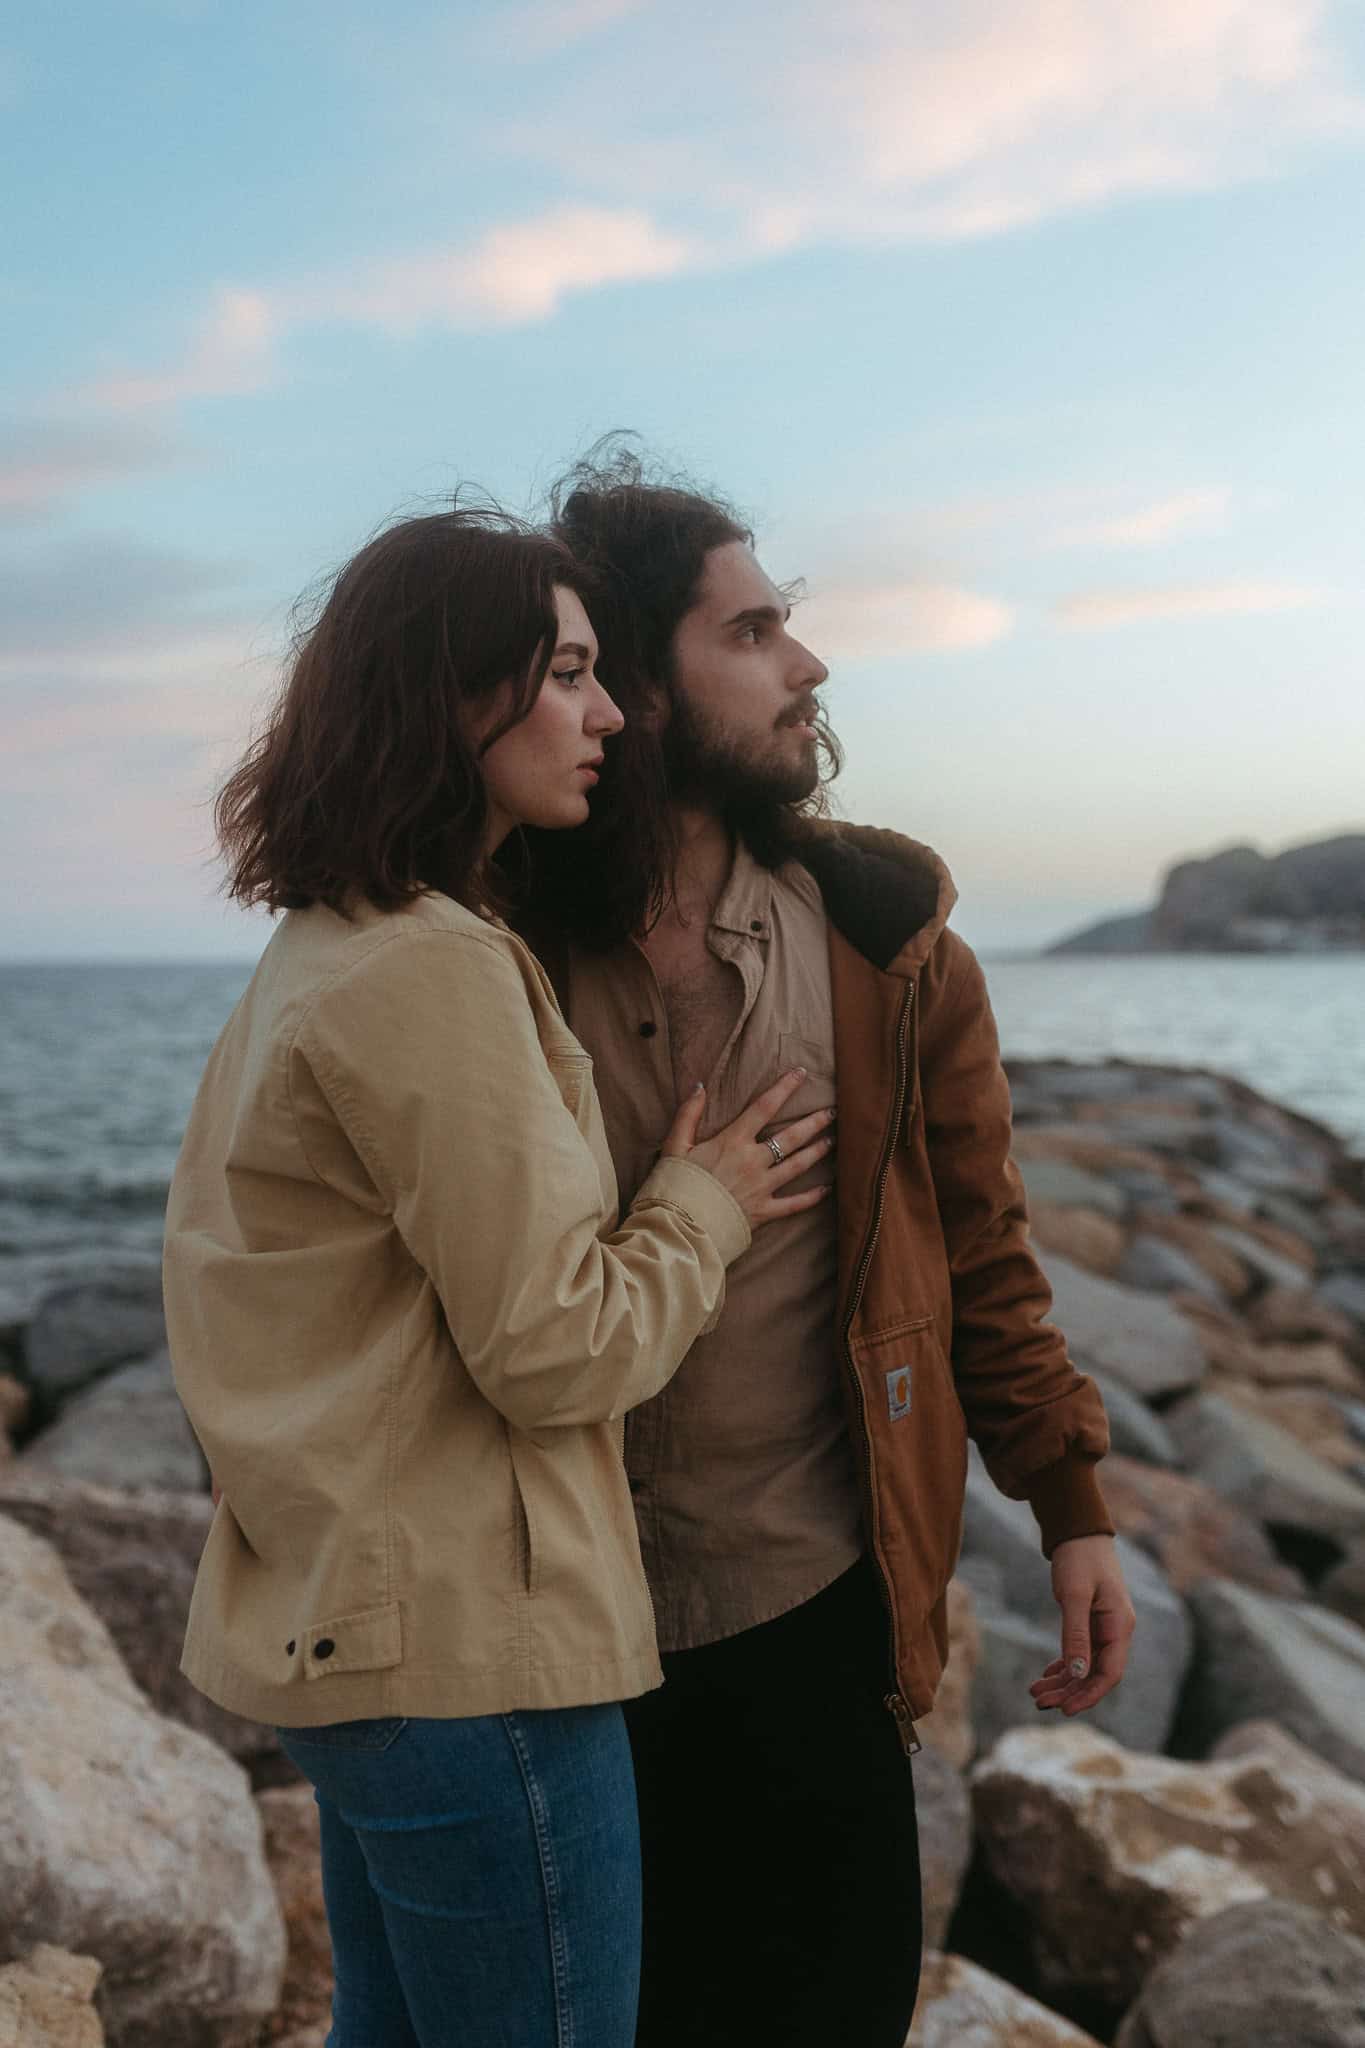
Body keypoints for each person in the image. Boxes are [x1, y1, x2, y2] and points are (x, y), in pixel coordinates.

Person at [161, 507, 839, 2048]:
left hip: (368, 1643)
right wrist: (703, 1203)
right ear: (458, 695)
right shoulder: (429, 966)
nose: (606, 716)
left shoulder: (324, 947)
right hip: (473, 1664)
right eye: (570, 674)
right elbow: (558, 1350)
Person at [513, 447, 1138, 2048]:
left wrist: (1067, 1498)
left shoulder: (887, 944)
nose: (807, 664)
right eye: (751, 632)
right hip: (541, 1628)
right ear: (628, 688)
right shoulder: (478, 941)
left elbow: (983, 1248)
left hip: (811, 1612)